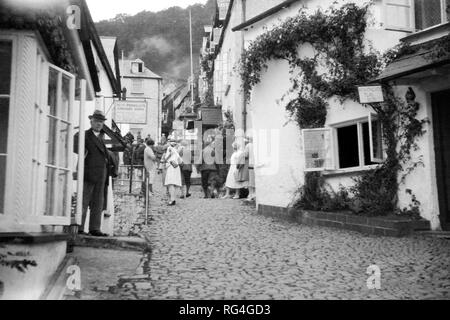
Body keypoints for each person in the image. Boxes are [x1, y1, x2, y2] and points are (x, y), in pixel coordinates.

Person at [73, 110, 111, 237]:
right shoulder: (84, 135)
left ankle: (95, 228)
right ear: (91, 121)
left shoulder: (101, 138)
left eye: (101, 122)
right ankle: (79, 227)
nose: (99, 124)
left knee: (98, 202)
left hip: (101, 175)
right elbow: (75, 146)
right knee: (83, 200)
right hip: (88, 173)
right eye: (97, 121)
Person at [162, 137, 183, 205]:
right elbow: (180, 161)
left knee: (170, 183)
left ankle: (172, 199)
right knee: (176, 184)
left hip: (171, 166)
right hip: (176, 167)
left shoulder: (169, 148)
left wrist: (165, 160)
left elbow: (167, 157)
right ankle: (173, 198)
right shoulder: (176, 150)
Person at [244, 136, 256, 201]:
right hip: (257, 164)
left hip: (251, 163)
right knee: (255, 179)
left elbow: (246, 155)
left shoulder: (248, 145)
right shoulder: (257, 144)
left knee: (251, 180)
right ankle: (255, 194)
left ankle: (251, 195)